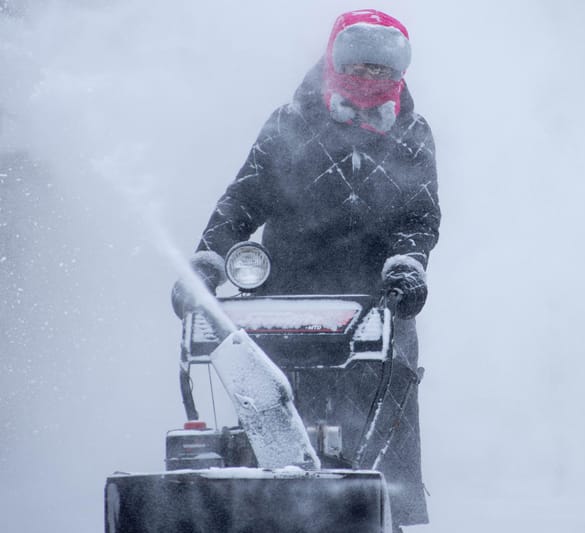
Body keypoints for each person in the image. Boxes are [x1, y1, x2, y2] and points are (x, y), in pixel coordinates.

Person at [173, 9, 440, 529]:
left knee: (381, 434)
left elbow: (420, 216)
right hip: (289, 303)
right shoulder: (289, 124)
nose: (371, 78)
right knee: (279, 422)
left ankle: (382, 515)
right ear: (334, 61)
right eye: (359, 66)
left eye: (384, 69)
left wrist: (407, 265)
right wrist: (207, 263)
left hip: (378, 303)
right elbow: (241, 203)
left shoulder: (413, 132)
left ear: (400, 72)